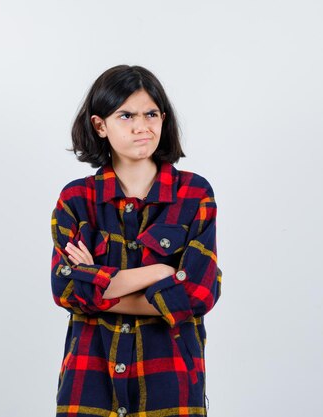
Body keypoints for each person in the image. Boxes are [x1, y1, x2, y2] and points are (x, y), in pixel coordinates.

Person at [50, 65, 222, 417]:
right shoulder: (77, 199)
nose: (142, 126)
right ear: (100, 125)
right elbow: (65, 290)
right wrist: (159, 272)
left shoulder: (194, 194)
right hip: (90, 380)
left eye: (151, 113)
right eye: (126, 114)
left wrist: (95, 283)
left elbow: (198, 294)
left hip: (170, 381)